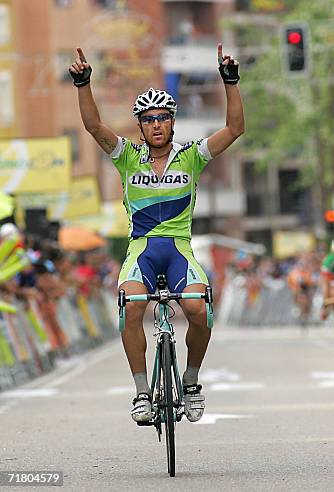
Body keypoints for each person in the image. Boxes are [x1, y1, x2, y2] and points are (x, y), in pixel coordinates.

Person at [68, 44, 244, 422]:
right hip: (141, 250)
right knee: (132, 307)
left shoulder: (192, 155)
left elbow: (234, 129)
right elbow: (94, 127)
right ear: (141, 126)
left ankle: (192, 379)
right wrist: (83, 84)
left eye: (163, 118)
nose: (156, 125)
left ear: (173, 122)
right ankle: (142, 392)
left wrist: (230, 81)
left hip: (179, 247)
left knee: (199, 309)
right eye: (149, 120)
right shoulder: (127, 156)